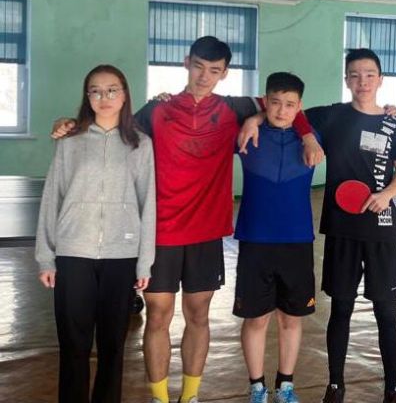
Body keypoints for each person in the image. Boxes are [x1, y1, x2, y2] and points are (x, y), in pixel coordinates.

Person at [51, 36, 323, 403]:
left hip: (206, 233)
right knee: (158, 316)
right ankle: (160, 398)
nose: (204, 76)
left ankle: (189, 396)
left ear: (224, 73)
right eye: (198, 66)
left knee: (198, 316)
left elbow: (284, 105)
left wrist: (299, 133)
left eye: (214, 70)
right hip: (161, 231)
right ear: (186, 63)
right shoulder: (158, 109)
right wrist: (74, 124)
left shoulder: (233, 108)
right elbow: (115, 127)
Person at [245, 48, 396, 403]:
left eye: (369, 74)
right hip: (341, 230)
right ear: (347, 80)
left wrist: (388, 194)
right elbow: (288, 110)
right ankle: (335, 385)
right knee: (342, 309)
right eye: (355, 75)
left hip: (381, 230)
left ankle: (393, 388)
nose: (363, 81)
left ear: (380, 79)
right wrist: (257, 119)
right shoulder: (332, 116)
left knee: (386, 311)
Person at [36, 64, 156, 403]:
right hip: (73, 254)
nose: (105, 97)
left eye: (112, 89)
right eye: (96, 91)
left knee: (113, 347)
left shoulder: (140, 144)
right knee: (73, 345)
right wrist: (46, 257)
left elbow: (148, 203)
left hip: (121, 256)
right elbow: (53, 197)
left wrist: (144, 263)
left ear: (125, 95)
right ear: (87, 97)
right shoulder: (69, 140)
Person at [234, 72, 319, 403]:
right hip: (255, 241)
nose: (282, 110)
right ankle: (257, 386)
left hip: (297, 242)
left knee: (291, 319)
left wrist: (390, 112)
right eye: (275, 103)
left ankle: (285, 386)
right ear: (265, 102)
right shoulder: (246, 133)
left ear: (300, 107)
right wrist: (254, 118)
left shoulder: (313, 137)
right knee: (256, 319)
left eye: (290, 104)